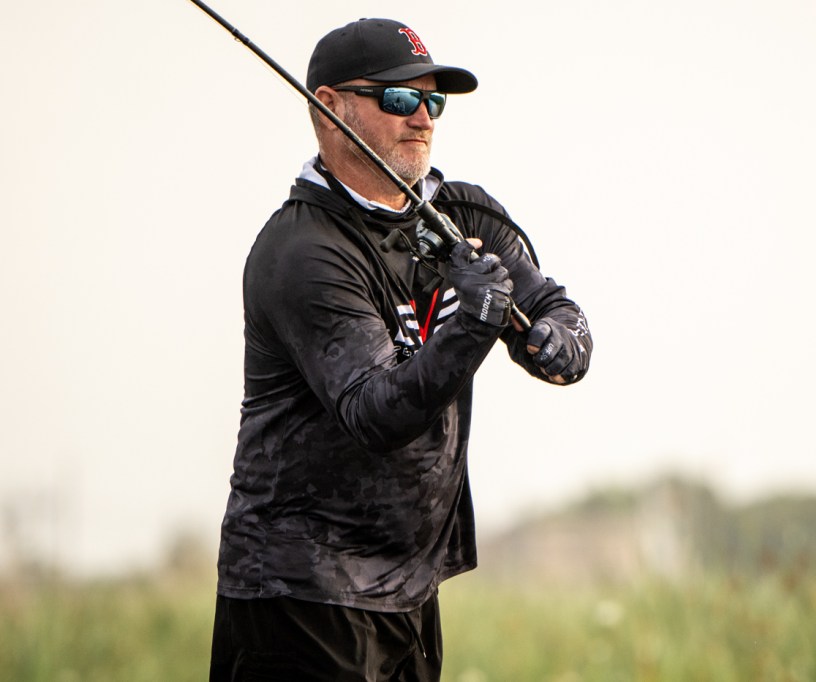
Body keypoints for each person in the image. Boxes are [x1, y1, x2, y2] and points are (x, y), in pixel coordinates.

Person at [208, 17, 592, 681]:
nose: (422, 119)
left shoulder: (464, 216)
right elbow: (376, 414)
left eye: (432, 101)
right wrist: (472, 324)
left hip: (409, 589)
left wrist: (558, 342)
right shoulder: (303, 251)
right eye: (397, 98)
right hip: (297, 594)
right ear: (331, 108)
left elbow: (555, 307)